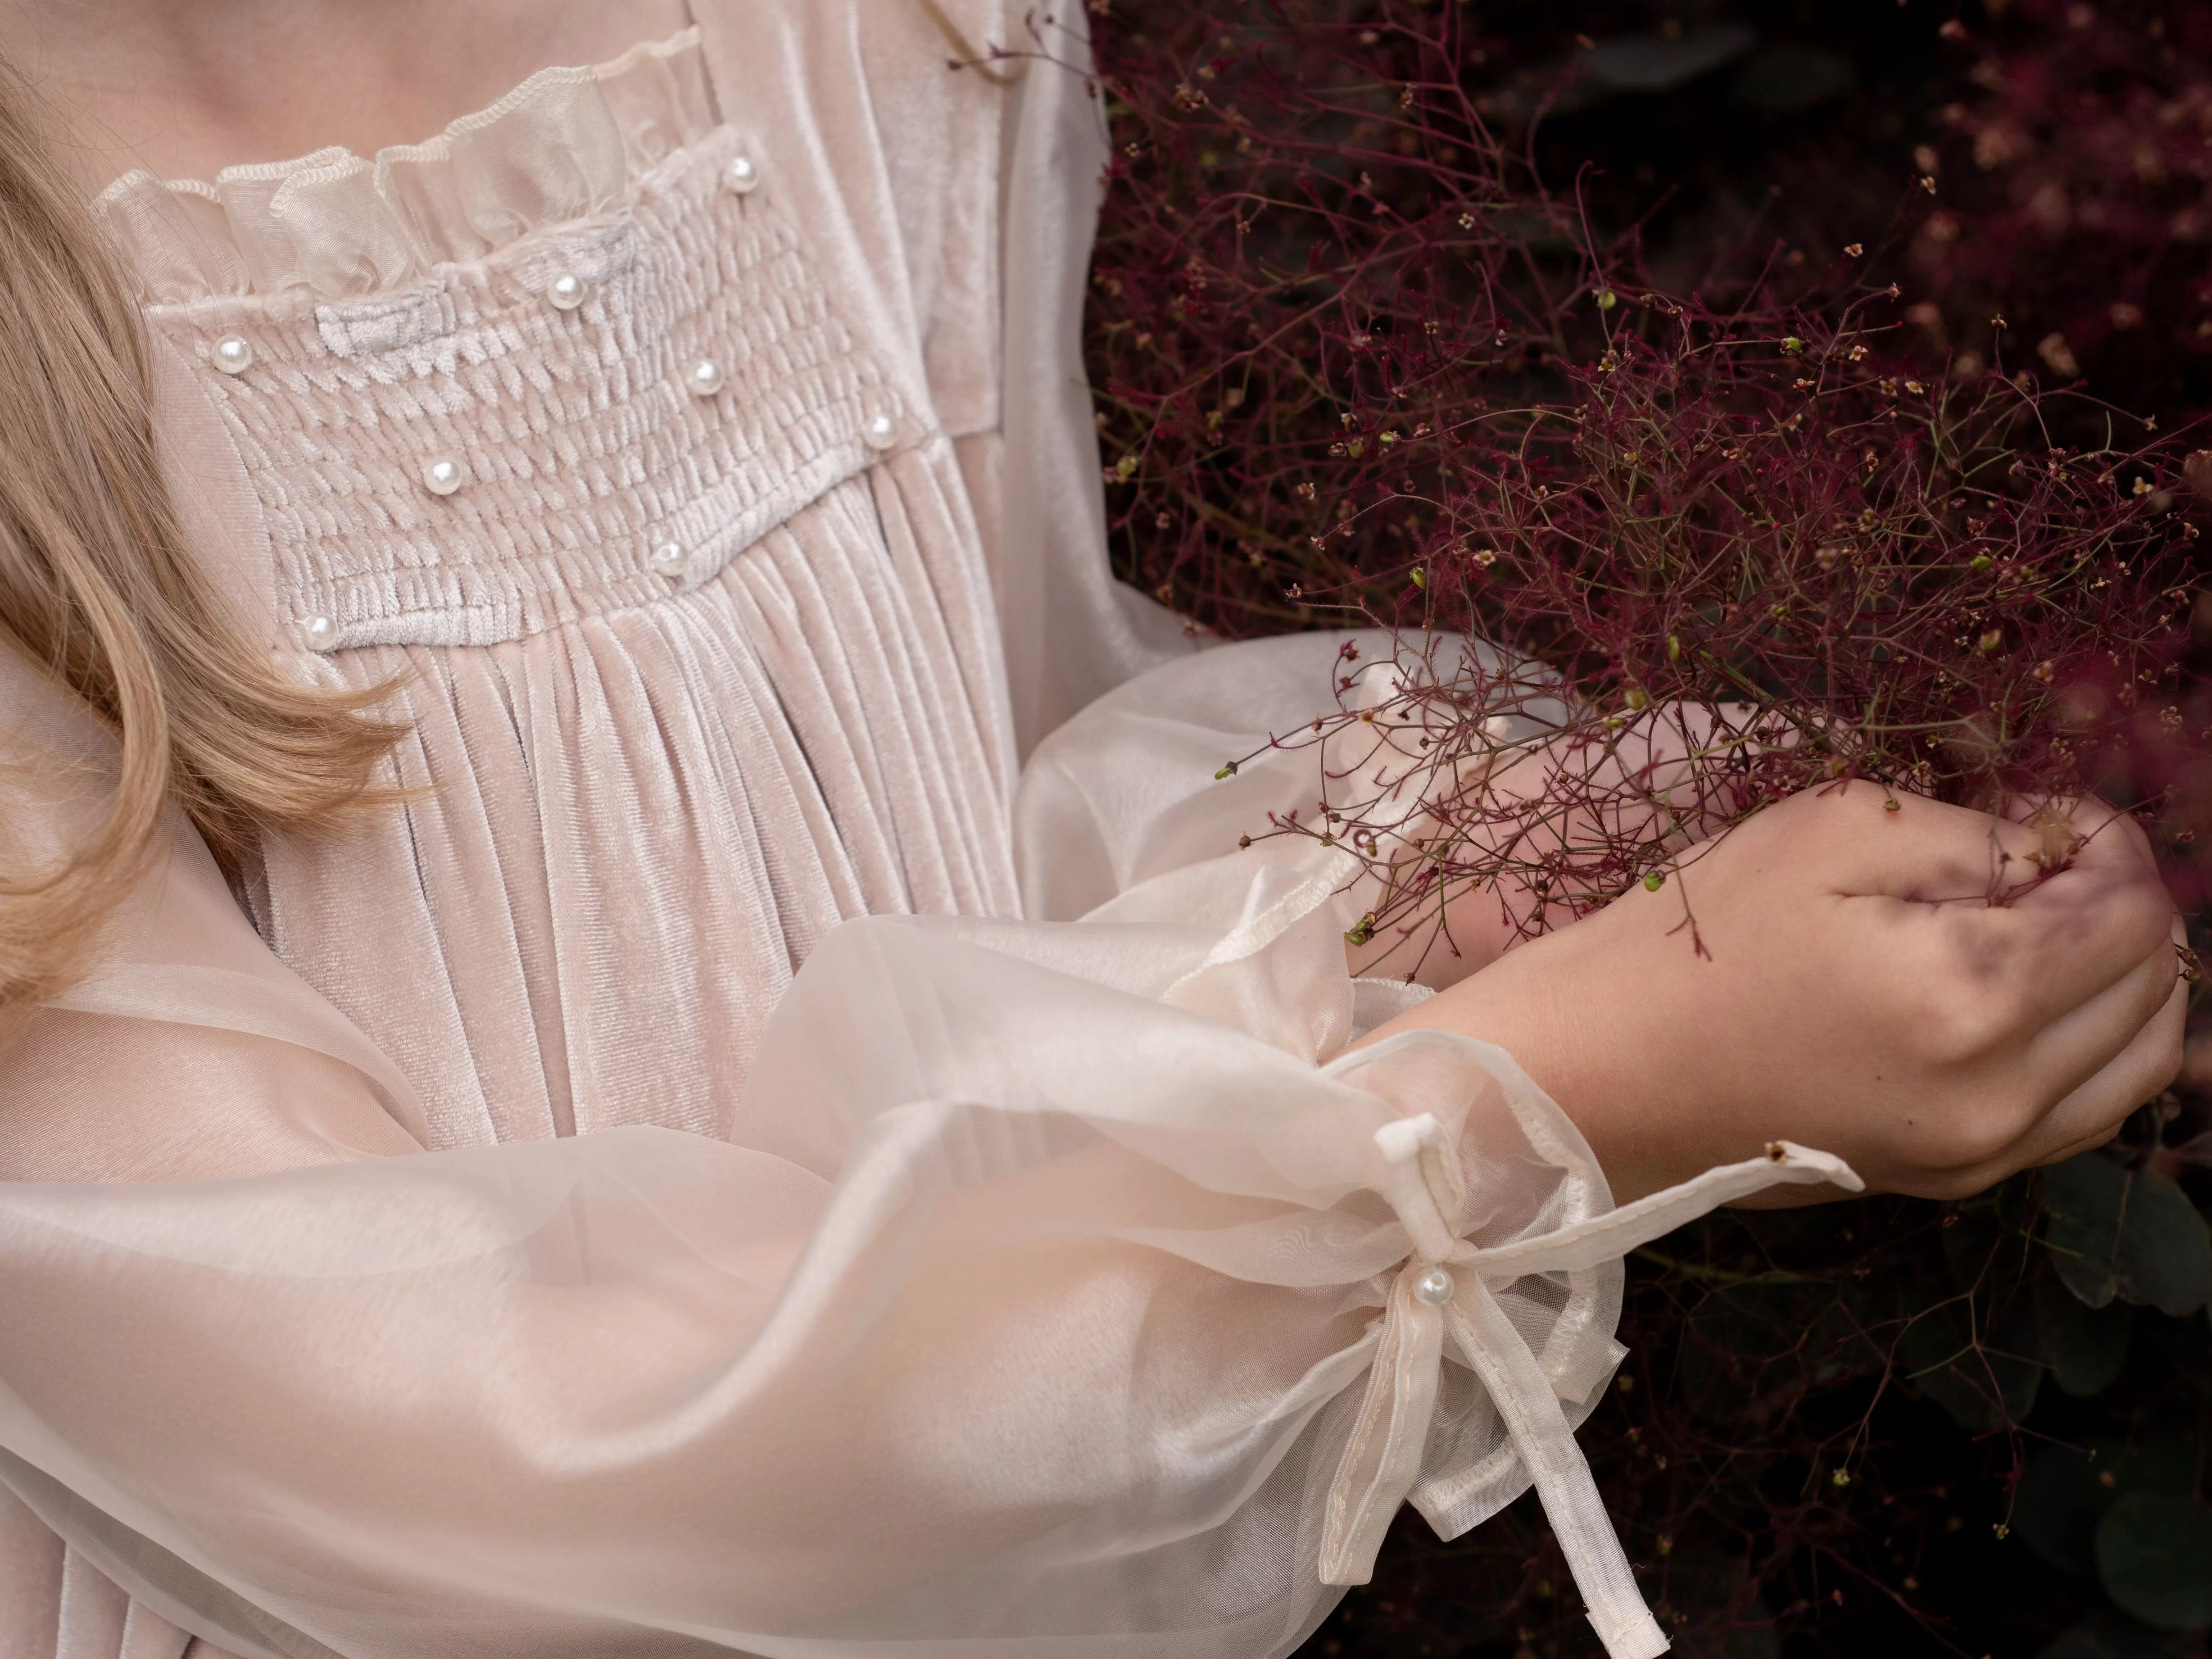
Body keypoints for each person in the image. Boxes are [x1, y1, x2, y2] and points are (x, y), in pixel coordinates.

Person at [0, 3, 2183, 1657]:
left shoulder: (876, 46)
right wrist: (1533, 1101)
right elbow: (458, 1428)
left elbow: (995, 784)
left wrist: (1573, 856)